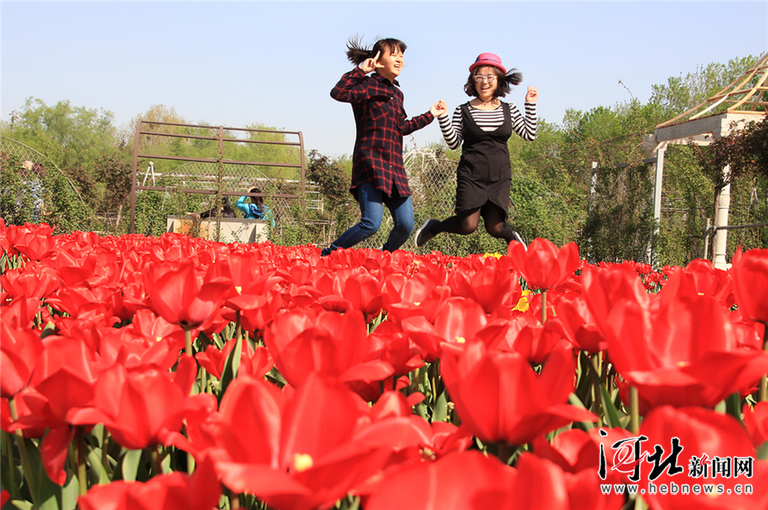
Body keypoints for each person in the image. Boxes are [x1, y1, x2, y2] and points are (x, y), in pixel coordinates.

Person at [320, 37, 447, 256]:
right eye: (393, 54)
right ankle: (329, 253)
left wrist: (430, 115)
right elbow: (338, 92)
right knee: (371, 223)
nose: (399, 59)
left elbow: (402, 128)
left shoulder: (398, 94)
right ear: (378, 59)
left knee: (406, 225)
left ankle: (383, 255)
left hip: (394, 169)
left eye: (401, 55)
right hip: (369, 165)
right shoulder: (366, 85)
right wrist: (361, 70)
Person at [414, 52, 538, 250]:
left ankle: (512, 238)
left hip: (499, 176)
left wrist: (530, 104)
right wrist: (443, 117)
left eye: (490, 77)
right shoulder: (463, 110)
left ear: (499, 80)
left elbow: (529, 134)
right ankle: (434, 227)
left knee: (495, 227)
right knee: (467, 225)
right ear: (473, 81)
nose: (484, 82)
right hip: (471, 175)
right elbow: (454, 143)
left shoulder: (509, 109)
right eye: (479, 77)